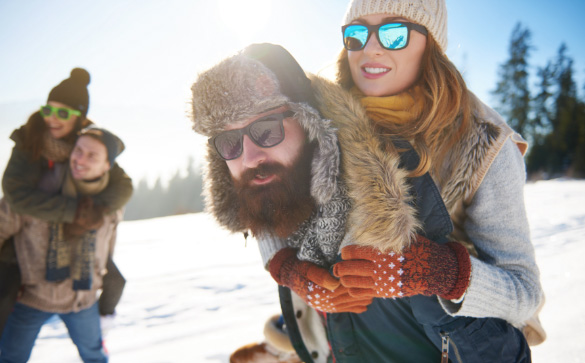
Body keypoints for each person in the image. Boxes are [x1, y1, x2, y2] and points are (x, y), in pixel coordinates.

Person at [191, 38, 543, 362]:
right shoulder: (282, 179)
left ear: (309, 120)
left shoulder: (407, 183)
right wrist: (286, 268)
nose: (249, 156)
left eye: (266, 130)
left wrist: (437, 272)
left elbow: (524, 296)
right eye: (229, 143)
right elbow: (264, 211)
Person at [0, 68, 131, 337]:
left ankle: (101, 326)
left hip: (78, 235)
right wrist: (72, 212)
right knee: (8, 289)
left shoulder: (88, 141)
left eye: (63, 113)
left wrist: (94, 211)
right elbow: (15, 193)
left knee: (113, 279)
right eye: (49, 110)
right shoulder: (29, 138)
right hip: (27, 226)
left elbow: (122, 184)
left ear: (79, 117)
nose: (52, 119)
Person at [0, 126, 127, 363]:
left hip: (83, 300)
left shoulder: (111, 205)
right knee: (11, 358)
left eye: (92, 156)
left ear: (107, 165)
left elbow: (107, 246)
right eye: (78, 150)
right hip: (31, 298)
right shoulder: (34, 194)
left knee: (95, 357)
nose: (80, 160)